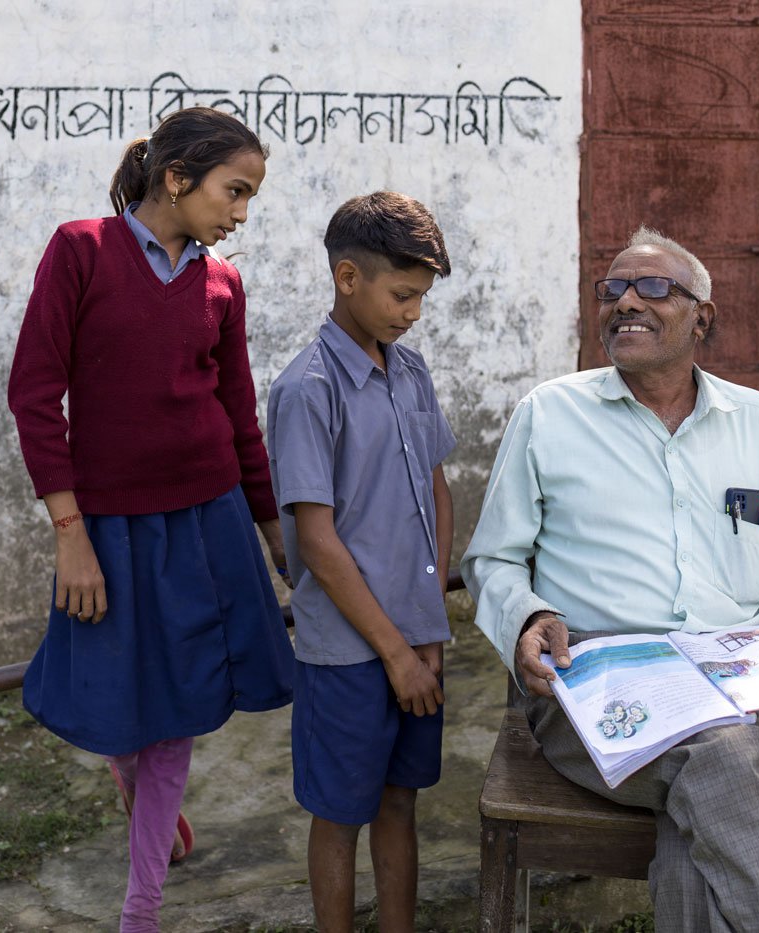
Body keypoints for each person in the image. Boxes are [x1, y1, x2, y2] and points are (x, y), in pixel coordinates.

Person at [463, 225, 759, 933]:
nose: (626, 302)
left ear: (703, 316)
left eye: (654, 287)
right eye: (612, 289)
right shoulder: (549, 415)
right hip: (594, 681)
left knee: (713, 778)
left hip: (738, 676)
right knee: (731, 760)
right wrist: (524, 617)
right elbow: (492, 559)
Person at [7, 106, 295, 932]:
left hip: (207, 522)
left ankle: (142, 909)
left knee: (176, 704)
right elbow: (33, 394)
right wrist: (71, 536)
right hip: (107, 526)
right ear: (177, 178)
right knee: (114, 697)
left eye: (249, 197)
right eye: (233, 192)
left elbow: (238, 413)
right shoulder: (81, 251)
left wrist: (270, 531)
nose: (241, 213)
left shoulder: (222, 282)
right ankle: (140, 790)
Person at [266, 191, 455, 932]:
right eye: (402, 294)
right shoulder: (307, 390)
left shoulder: (411, 374)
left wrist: (430, 619)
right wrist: (394, 652)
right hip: (347, 653)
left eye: (422, 298)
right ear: (348, 277)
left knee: (400, 798)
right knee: (340, 812)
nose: (413, 312)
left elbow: (439, 495)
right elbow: (316, 539)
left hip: (417, 638)